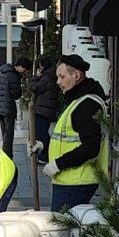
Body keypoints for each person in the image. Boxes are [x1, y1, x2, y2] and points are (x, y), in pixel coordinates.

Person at [42, 53, 109, 211]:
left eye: (62, 77)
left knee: (60, 232)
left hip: (75, 182)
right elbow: (68, 139)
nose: (58, 82)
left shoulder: (86, 105)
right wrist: (43, 147)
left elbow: (91, 147)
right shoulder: (78, 100)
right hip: (71, 181)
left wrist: (59, 164)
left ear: (76, 75)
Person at [0, 56, 26, 159]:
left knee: (4, 132)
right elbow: (16, 95)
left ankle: (5, 153)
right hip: (8, 107)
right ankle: (7, 155)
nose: (23, 72)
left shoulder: (4, 72)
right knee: (8, 134)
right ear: (20, 66)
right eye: (24, 69)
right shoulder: (13, 76)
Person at [28, 55, 59, 165]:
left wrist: (35, 77)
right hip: (48, 109)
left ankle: (45, 156)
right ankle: (45, 155)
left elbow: (34, 88)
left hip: (42, 110)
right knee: (43, 132)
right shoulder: (53, 75)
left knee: (41, 134)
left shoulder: (46, 78)